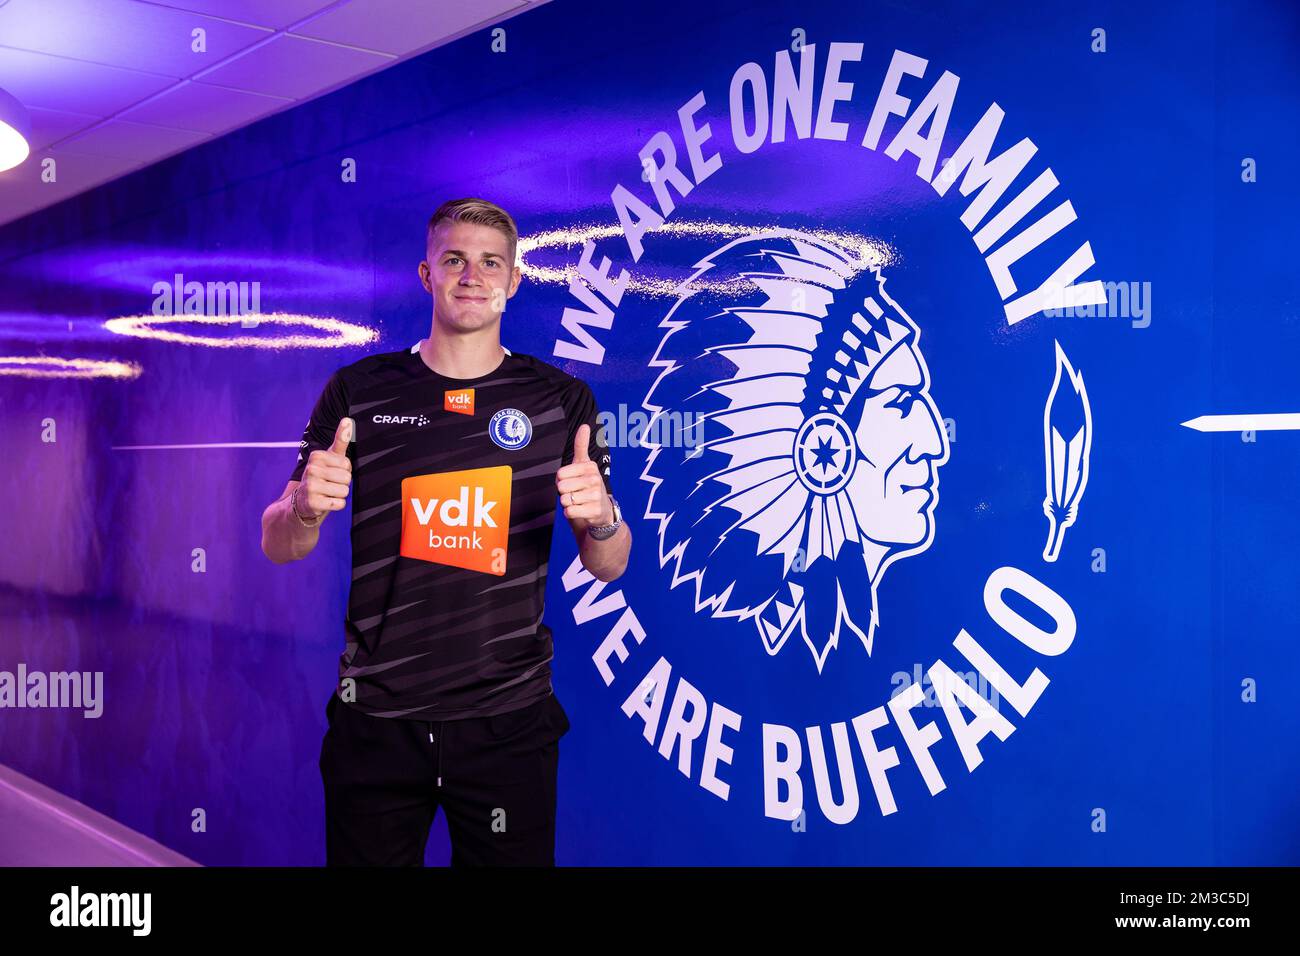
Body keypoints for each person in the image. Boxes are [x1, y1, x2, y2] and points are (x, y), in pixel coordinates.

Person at [260, 197, 631, 866]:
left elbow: (608, 564)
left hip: (507, 727)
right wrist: (304, 511)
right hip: (377, 722)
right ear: (427, 274)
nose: (472, 276)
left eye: (492, 263)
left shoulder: (560, 402)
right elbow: (277, 542)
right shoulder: (358, 391)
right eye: (454, 259)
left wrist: (603, 521)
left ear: (514, 282)